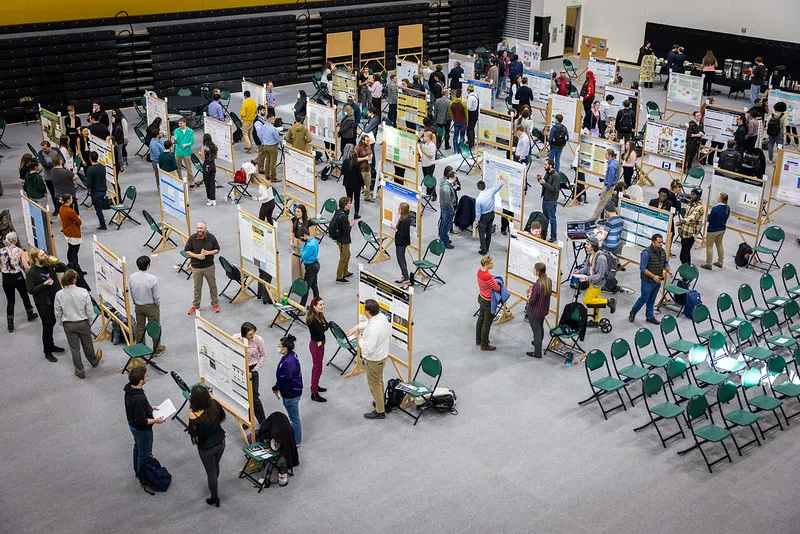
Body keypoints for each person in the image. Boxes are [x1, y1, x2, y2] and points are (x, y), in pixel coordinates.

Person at [347, 299, 391, 419]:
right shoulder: (381, 317)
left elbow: (367, 350)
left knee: (374, 384)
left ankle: (380, 410)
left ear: (367, 312)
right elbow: (368, 323)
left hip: (374, 359)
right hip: (382, 355)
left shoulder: (372, 330)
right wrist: (357, 327)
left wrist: (359, 338)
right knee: (379, 381)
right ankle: (380, 402)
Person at [53, 268, 101, 378]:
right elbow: (89, 310)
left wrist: (61, 323)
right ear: (75, 280)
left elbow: (57, 311)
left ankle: (80, 371)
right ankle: (93, 361)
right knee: (88, 344)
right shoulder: (83, 292)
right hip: (82, 322)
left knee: (74, 349)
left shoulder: (59, 294)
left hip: (68, 324)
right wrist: (89, 321)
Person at [26, 248, 68, 362]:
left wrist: (56, 261)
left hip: (55, 299)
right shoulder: (32, 272)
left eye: (44, 253)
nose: (45, 255)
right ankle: (47, 351)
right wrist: (44, 284)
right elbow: (30, 290)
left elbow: (65, 268)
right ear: (36, 259)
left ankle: (51, 345)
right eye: (42, 255)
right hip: (44, 303)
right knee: (47, 326)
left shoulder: (48, 265)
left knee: (53, 321)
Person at [187, 385, 226, 507]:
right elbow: (223, 418)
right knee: (216, 465)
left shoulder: (193, 416)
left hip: (206, 448)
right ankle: (215, 482)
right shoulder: (214, 404)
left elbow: (194, 435)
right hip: (220, 441)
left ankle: (214, 497)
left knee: (210, 472)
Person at [124, 367, 165, 480]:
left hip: (133, 426)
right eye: (145, 376)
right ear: (141, 381)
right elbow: (141, 420)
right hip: (142, 430)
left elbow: (135, 409)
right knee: (145, 453)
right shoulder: (139, 398)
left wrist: (150, 408)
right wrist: (156, 420)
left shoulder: (129, 390)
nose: (146, 378)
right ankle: (143, 475)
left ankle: (137, 470)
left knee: (138, 447)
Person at [628, 233, 672, 325]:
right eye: (659, 242)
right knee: (644, 298)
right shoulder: (646, 253)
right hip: (647, 281)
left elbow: (665, 263)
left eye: (662, 242)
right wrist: (653, 276)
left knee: (652, 299)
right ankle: (633, 312)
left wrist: (669, 270)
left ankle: (650, 316)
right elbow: (643, 268)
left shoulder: (662, 251)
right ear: (653, 242)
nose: (661, 244)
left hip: (657, 281)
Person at [1, 232, 37, 332]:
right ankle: (30, 314)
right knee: (24, 295)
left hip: (6, 278)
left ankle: (10, 324)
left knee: (10, 300)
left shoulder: (1, 251)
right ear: (14, 240)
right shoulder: (20, 251)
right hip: (18, 277)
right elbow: (26, 266)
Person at [128, 255, 165, 353]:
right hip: (150, 306)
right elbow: (156, 296)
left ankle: (141, 348)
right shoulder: (152, 278)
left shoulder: (132, 277)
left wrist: (135, 301)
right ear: (148, 265)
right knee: (154, 327)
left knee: (140, 328)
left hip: (138, 306)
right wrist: (157, 305)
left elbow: (131, 292)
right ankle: (157, 349)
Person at [573, 235, 617, 316]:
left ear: (593, 246)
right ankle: (595, 320)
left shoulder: (601, 258)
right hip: (592, 281)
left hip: (597, 283)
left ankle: (609, 301)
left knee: (587, 300)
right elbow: (587, 267)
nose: (585, 246)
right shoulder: (590, 254)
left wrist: (586, 278)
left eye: (588, 244)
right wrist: (579, 271)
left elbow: (600, 275)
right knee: (596, 301)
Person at [232, 322, 266, 424]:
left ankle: (262, 421)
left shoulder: (259, 340)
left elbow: (263, 355)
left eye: (253, 333)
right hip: (240, 368)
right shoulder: (236, 338)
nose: (252, 336)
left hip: (252, 369)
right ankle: (248, 419)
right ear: (244, 334)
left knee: (254, 396)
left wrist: (255, 369)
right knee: (243, 395)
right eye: (250, 334)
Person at [184, 221, 220, 314]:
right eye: (198, 228)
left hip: (209, 266)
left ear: (205, 229)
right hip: (196, 267)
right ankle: (196, 305)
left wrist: (208, 252)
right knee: (197, 288)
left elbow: (217, 250)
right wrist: (197, 256)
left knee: (212, 286)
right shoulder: (192, 238)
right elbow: (187, 251)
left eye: (201, 228)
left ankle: (215, 304)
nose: (199, 230)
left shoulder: (211, 237)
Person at [273, 334, 303, 443]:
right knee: (294, 418)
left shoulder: (288, 363)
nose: (278, 347)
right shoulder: (291, 356)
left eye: (279, 346)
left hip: (291, 394)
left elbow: (285, 379)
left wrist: (276, 387)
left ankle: (297, 441)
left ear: (285, 348)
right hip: (293, 390)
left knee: (294, 419)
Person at [526, 263, 552, 359]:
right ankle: (538, 343)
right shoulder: (548, 281)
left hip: (534, 311)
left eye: (534, 269)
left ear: (537, 271)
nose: (532, 270)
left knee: (536, 331)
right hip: (543, 310)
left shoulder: (537, 285)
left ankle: (537, 352)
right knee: (540, 328)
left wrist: (529, 294)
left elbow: (532, 301)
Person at [474, 177, 505, 255]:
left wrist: (477, 220)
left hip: (483, 217)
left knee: (481, 233)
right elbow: (499, 186)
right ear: (485, 186)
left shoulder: (478, 200)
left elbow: (478, 212)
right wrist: (501, 181)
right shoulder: (491, 191)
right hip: (491, 214)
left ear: (478, 188)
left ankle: (483, 250)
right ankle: (487, 247)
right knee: (488, 232)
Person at [476, 255, 501, 351]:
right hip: (488, 301)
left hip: (481, 297)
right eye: (491, 263)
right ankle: (484, 344)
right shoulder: (488, 276)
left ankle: (478, 339)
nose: (493, 264)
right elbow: (497, 288)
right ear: (486, 264)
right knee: (487, 323)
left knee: (480, 319)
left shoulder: (479, 271)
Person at [306, 297, 329, 402]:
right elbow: (323, 330)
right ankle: (314, 393)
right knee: (317, 368)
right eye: (320, 305)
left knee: (317, 367)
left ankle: (314, 385)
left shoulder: (319, 315)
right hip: (316, 346)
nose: (322, 306)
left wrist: (324, 326)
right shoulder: (313, 320)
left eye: (323, 304)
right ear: (314, 306)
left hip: (320, 344)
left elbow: (325, 325)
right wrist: (324, 326)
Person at [701, 192, 730, 270]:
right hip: (722, 229)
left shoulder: (715, 209)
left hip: (713, 230)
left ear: (720, 199)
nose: (717, 198)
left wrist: (708, 216)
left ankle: (708, 263)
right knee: (719, 244)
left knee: (709, 246)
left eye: (718, 197)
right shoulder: (727, 208)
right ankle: (720, 261)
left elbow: (710, 219)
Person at [330, 197, 355, 283]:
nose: (350, 204)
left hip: (341, 238)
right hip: (343, 240)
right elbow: (346, 230)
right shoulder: (343, 216)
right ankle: (339, 276)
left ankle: (345, 271)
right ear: (345, 205)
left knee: (347, 255)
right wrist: (351, 225)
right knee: (344, 257)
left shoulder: (339, 212)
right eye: (349, 203)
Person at [677, 188, 705, 265]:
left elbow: (692, 217)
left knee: (683, 256)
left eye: (693, 195)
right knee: (686, 255)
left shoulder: (700, 207)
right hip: (684, 232)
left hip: (690, 235)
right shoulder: (690, 203)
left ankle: (686, 272)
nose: (691, 196)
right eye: (691, 194)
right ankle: (687, 272)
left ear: (698, 196)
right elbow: (686, 215)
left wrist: (683, 221)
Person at [591, 148, 619, 220]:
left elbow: (610, 178)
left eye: (606, 154)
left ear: (609, 155)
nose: (605, 155)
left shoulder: (611, 166)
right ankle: (608, 217)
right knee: (608, 203)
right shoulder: (616, 163)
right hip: (612, 186)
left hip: (608, 186)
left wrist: (606, 188)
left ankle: (593, 219)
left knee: (601, 204)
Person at [537, 158, 560, 243]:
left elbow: (555, 189)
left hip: (551, 201)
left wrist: (544, 183)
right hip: (545, 199)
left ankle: (553, 236)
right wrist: (540, 179)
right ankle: (544, 234)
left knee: (552, 219)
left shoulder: (556, 176)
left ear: (551, 165)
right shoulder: (548, 173)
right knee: (545, 219)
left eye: (545, 165)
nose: (544, 166)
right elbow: (545, 184)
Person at [392, 202, 413, 289]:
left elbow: (402, 234)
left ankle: (407, 280)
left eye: (400, 208)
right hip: (401, 242)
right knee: (401, 260)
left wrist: (395, 229)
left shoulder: (404, 220)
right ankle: (404, 276)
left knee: (401, 261)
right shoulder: (406, 218)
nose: (398, 209)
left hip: (401, 242)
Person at [57, 194, 82, 266]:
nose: (72, 199)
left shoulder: (61, 208)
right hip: (73, 233)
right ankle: (76, 268)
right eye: (71, 198)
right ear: (68, 200)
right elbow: (79, 222)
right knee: (74, 252)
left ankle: (71, 265)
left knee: (70, 250)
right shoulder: (70, 211)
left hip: (66, 231)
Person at [298, 226, 320, 307]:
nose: (301, 239)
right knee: (314, 286)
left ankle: (301, 306)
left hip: (311, 267)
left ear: (305, 235)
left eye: (301, 237)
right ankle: (316, 304)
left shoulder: (309, 245)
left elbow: (303, 256)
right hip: (315, 264)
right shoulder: (314, 241)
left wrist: (302, 246)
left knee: (305, 288)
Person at [255, 113, 280, 182]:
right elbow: (277, 138)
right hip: (272, 146)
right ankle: (273, 177)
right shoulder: (273, 129)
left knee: (267, 161)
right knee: (273, 162)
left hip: (265, 146)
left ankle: (267, 175)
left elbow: (261, 135)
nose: (274, 120)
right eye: (273, 118)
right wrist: (277, 142)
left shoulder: (264, 126)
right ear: (269, 119)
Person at [37, 141, 61, 206]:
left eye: (45, 149)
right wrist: (56, 163)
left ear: (49, 146)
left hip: (58, 175)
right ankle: (56, 208)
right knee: (53, 193)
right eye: (43, 149)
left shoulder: (56, 150)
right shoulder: (40, 153)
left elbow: (63, 160)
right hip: (48, 177)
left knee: (60, 192)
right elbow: (45, 165)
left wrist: (51, 164)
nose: (44, 150)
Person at [439, 169, 458, 249]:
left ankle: (444, 238)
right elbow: (447, 201)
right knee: (445, 226)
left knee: (444, 224)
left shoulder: (446, 185)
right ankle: (444, 242)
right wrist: (452, 209)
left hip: (445, 208)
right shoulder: (446, 187)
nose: (456, 179)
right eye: (455, 177)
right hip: (447, 209)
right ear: (452, 177)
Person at [173, 117, 195, 184]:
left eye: (181, 123)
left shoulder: (190, 131)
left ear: (185, 123)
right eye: (179, 123)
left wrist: (187, 144)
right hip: (178, 151)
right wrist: (175, 139)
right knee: (178, 167)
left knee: (189, 168)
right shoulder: (177, 130)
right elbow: (177, 141)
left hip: (186, 152)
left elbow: (192, 141)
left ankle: (191, 181)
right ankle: (179, 180)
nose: (180, 125)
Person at [198, 134, 218, 206]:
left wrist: (200, 154)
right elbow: (216, 157)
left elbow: (203, 159)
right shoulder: (215, 146)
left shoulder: (203, 148)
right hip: (213, 165)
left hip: (206, 165)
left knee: (207, 182)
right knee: (212, 182)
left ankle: (209, 198)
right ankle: (213, 199)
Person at [355, 135, 374, 202]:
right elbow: (355, 159)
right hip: (360, 170)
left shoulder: (368, 146)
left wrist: (371, 155)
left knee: (368, 184)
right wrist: (364, 158)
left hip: (367, 168)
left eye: (369, 140)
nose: (368, 142)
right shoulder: (357, 148)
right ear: (362, 140)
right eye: (367, 140)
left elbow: (371, 152)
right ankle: (356, 198)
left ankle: (367, 197)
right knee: (358, 185)